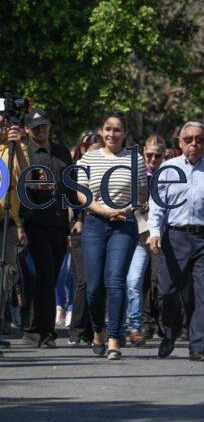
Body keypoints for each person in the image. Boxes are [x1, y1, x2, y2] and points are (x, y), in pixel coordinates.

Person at [148, 121, 204, 362]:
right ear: (180, 143)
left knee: (203, 292)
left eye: (199, 139)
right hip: (175, 236)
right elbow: (157, 205)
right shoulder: (168, 169)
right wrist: (154, 232)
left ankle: (197, 346)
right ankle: (169, 334)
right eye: (189, 139)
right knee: (167, 292)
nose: (194, 144)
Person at [77, 112, 147, 360]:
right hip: (95, 223)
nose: (112, 134)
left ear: (124, 133)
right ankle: (98, 330)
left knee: (115, 281)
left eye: (117, 130)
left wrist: (127, 208)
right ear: (101, 130)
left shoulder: (136, 159)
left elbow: (141, 194)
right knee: (94, 287)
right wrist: (104, 211)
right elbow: (82, 195)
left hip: (124, 224)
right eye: (108, 129)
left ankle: (114, 339)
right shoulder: (88, 157)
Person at [17, 108, 72, 348]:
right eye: (36, 127)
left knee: (47, 278)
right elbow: (14, 185)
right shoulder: (24, 152)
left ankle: (35, 326)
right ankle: (44, 331)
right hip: (34, 222)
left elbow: (70, 188)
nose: (41, 130)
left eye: (44, 125)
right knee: (44, 275)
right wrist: (33, 186)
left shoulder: (61, 151)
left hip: (59, 223)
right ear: (28, 129)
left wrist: (76, 218)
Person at [124, 135, 165, 345]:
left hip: (161, 236)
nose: (153, 159)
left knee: (159, 283)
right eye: (149, 154)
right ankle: (133, 326)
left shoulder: (170, 175)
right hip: (138, 234)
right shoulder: (135, 173)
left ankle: (162, 325)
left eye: (158, 155)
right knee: (133, 281)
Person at [67, 131, 103, 345]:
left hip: (99, 227)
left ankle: (92, 329)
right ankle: (77, 328)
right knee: (84, 280)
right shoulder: (74, 172)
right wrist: (75, 221)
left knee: (97, 281)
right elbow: (72, 199)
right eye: (94, 151)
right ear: (82, 150)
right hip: (79, 228)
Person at [0, 109, 29, 354]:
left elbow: (28, 176)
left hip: (6, 220)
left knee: (5, 277)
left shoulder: (13, 148)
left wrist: (17, 143)